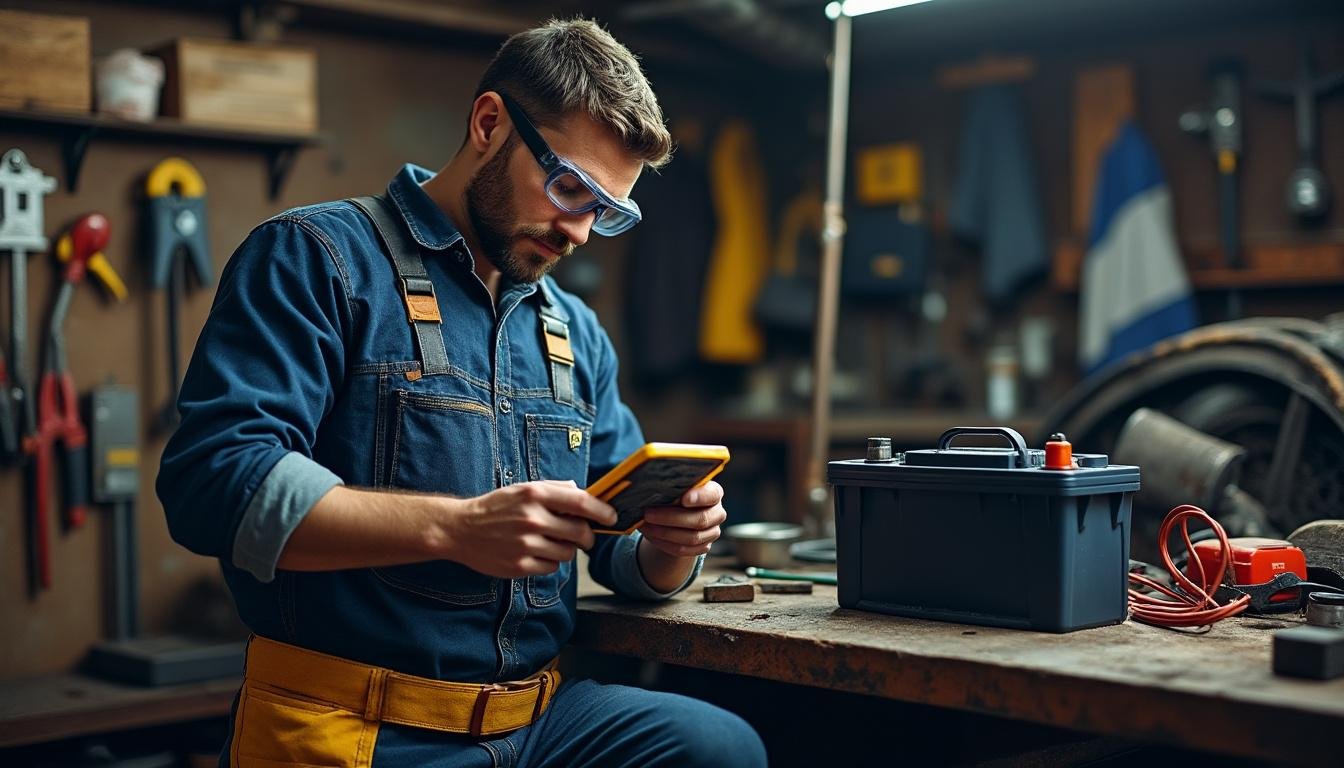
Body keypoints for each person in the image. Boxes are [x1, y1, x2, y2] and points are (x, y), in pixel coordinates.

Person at [157, 18, 767, 768]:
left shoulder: (572, 331)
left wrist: (674, 546)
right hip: (356, 722)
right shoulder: (316, 258)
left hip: (535, 721)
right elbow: (213, 484)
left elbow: (621, 549)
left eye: (604, 211)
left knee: (716, 748)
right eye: (569, 187)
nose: (578, 232)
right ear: (489, 124)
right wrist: (454, 527)